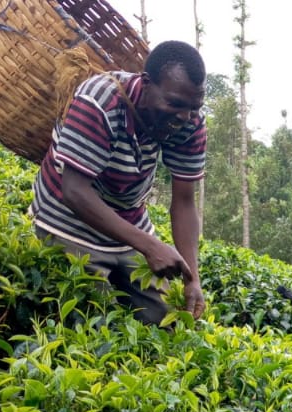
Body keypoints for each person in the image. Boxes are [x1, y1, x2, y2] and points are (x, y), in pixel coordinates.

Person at [30, 40, 207, 325]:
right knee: (92, 321)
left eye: (193, 107)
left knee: (167, 323)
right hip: (66, 221)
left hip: (128, 223)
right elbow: (74, 191)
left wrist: (192, 279)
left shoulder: (189, 121)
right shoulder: (101, 99)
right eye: (174, 104)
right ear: (146, 83)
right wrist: (150, 246)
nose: (183, 117)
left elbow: (184, 202)